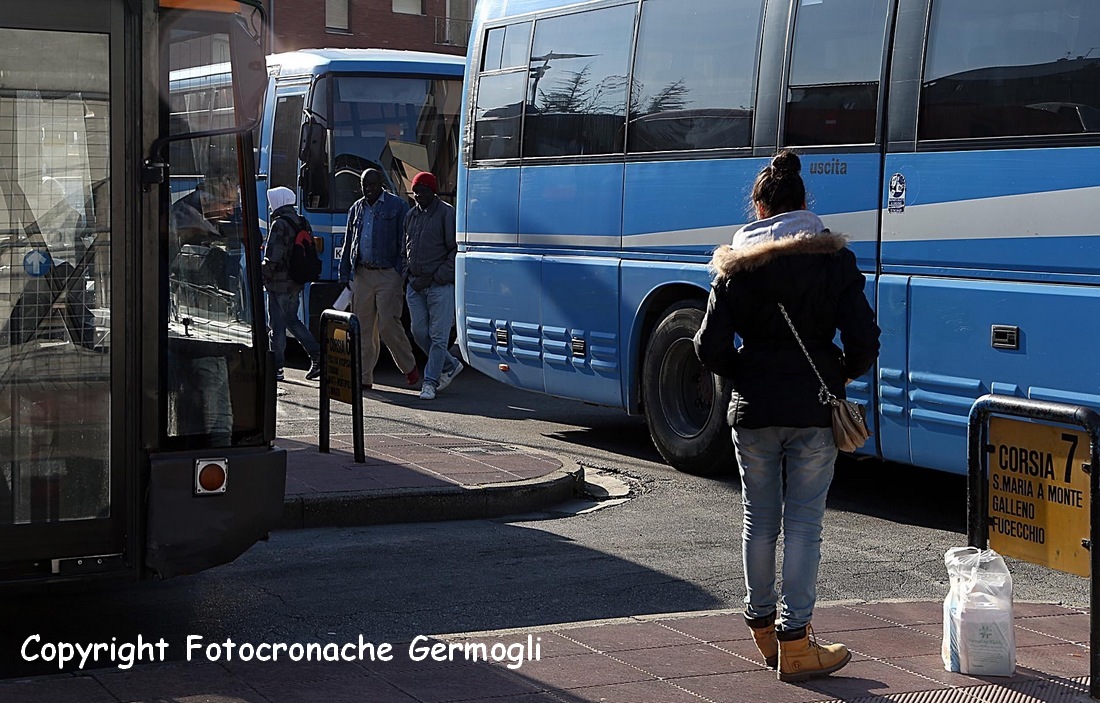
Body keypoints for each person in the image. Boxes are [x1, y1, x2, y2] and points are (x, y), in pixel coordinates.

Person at [693, 150, 880, 683]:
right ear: (804, 204)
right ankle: (796, 640)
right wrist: (838, 373)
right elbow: (865, 338)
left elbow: (708, 348)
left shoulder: (734, 267)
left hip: (753, 410)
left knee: (759, 520)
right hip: (813, 409)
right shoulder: (833, 261)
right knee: (803, 526)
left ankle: (761, 627)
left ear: (760, 206)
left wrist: (747, 372)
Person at [338, 169, 420, 391]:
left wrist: (398, 271)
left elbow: (406, 241)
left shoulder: (398, 206)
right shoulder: (356, 208)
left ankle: (409, 367)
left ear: (381, 184)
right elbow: (349, 241)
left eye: (372, 185)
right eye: (365, 186)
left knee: (387, 324)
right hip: (362, 272)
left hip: (387, 273)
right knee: (363, 328)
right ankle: (364, 377)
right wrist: (344, 271)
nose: (368, 190)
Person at [403, 171, 462, 401]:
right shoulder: (410, 215)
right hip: (415, 285)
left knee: (438, 337)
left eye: (422, 191)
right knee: (418, 332)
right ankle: (450, 364)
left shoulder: (447, 214)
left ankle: (430, 382)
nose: (418, 196)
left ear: (433, 191)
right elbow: (404, 248)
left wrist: (437, 277)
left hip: (439, 286)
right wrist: (407, 274)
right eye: (415, 191)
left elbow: (455, 250)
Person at [262, 186, 321, 382]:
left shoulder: (279, 224)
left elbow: (273, 256)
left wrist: (263, 276)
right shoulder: (302, 221)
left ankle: (277, 367)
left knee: (277, 326)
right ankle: (317, 357)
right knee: (292, 320)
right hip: (295, 282)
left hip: (278, 284)